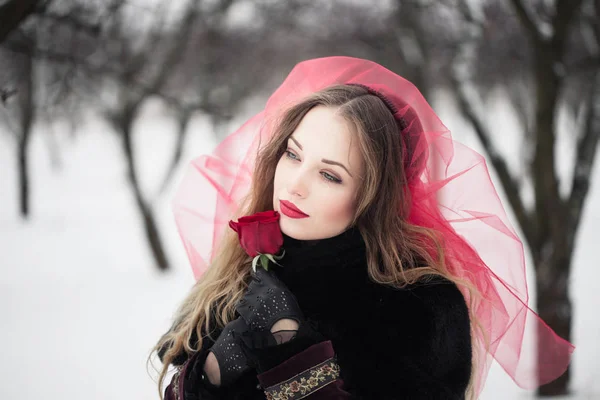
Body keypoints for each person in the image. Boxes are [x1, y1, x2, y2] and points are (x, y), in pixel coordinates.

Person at [149, 57, 574, 400]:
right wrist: (212, 372)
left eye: (330, 175)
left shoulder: (421, 306)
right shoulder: (244, 265)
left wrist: (293, 357)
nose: (295, 185)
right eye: (293, 155)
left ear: (374, 197)